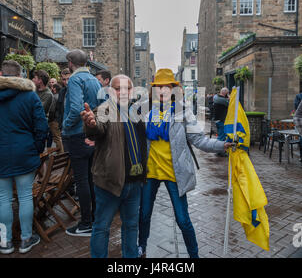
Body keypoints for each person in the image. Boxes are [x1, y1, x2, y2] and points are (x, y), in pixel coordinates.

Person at [137, 69, 232, 258]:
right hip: (150, 173)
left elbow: (199, 140)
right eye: (158, 87)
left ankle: (193, 255)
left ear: (174, 89)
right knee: (144, 214)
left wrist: (223, 144)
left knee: (183, 220)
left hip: (175, 173)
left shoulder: (183, 111)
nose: (162, 90)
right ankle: (142, 246)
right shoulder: (144, 110)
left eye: (167, 86)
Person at [81, 75, 147, 258]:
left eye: (127, 88)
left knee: (131, 226)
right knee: (102, 227)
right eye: (118, 88)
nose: (123, 92)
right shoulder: (105, 109)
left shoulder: (137, 111)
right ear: (111, 91)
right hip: (110, 182)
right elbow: (97, 128)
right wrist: (91, 124)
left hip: (134, 182)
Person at [0, 60, 48, 254]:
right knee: (25, 196)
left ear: (2, 74)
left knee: (3, 198)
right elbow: (41, 127)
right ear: (20, 75)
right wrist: (35, 149)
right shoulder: (30, 96)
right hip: (24, 152)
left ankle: (5, 242)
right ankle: (26, 239)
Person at [62, 49, 101, 237]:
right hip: (92, 134)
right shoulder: (94, 80)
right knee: (90, 179)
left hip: (77, 135)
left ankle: (86, 223)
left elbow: (76, 108)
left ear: (70, 62)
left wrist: (65, 125)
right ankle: (94, 218)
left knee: (82, 181)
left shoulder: (75, 80)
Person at [48, 83, 63, 153]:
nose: (52, 88)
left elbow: (52, 109)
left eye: (53, 87)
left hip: (54, 119)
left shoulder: (54, 97)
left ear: (55, 89)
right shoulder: (60, 96)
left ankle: (61, 154)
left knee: (57, 138)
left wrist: (50, 119)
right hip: (59, 119)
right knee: (59, 137)